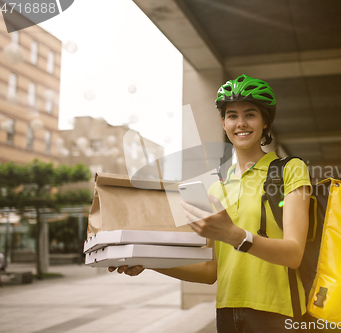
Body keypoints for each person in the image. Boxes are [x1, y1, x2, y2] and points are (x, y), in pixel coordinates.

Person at [109, 74, 312, 332]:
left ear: (264, 122)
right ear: (224, 124)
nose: (241, 123)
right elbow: (209, 270)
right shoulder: (216, 186)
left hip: (279, 313)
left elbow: (294, 254)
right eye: (232, 116)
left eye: (250, 114)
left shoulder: (290, 169)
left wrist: (235, 235)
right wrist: (147, 261)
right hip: (227, 313)